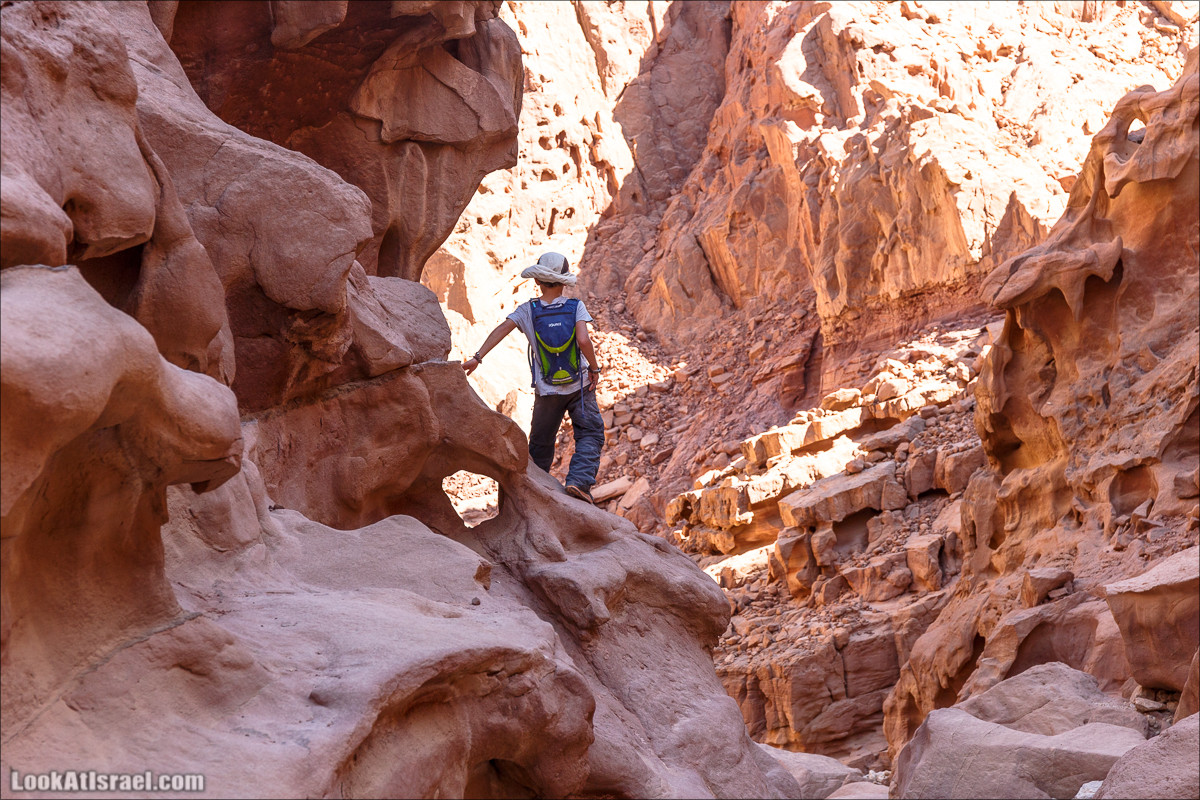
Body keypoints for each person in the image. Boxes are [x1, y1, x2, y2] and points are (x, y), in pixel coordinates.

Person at [462, 252, 604, 504]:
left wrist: (477, 357)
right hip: (579, 387)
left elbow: (502, 329)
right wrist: (594, 369)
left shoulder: (528, 310)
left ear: (537, 281)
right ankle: (579, 482)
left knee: (540, 443)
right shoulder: (575, 307)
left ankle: (532, 493)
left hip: (547, 390)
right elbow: (583, 340)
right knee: (590, 433)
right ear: (562, 282)